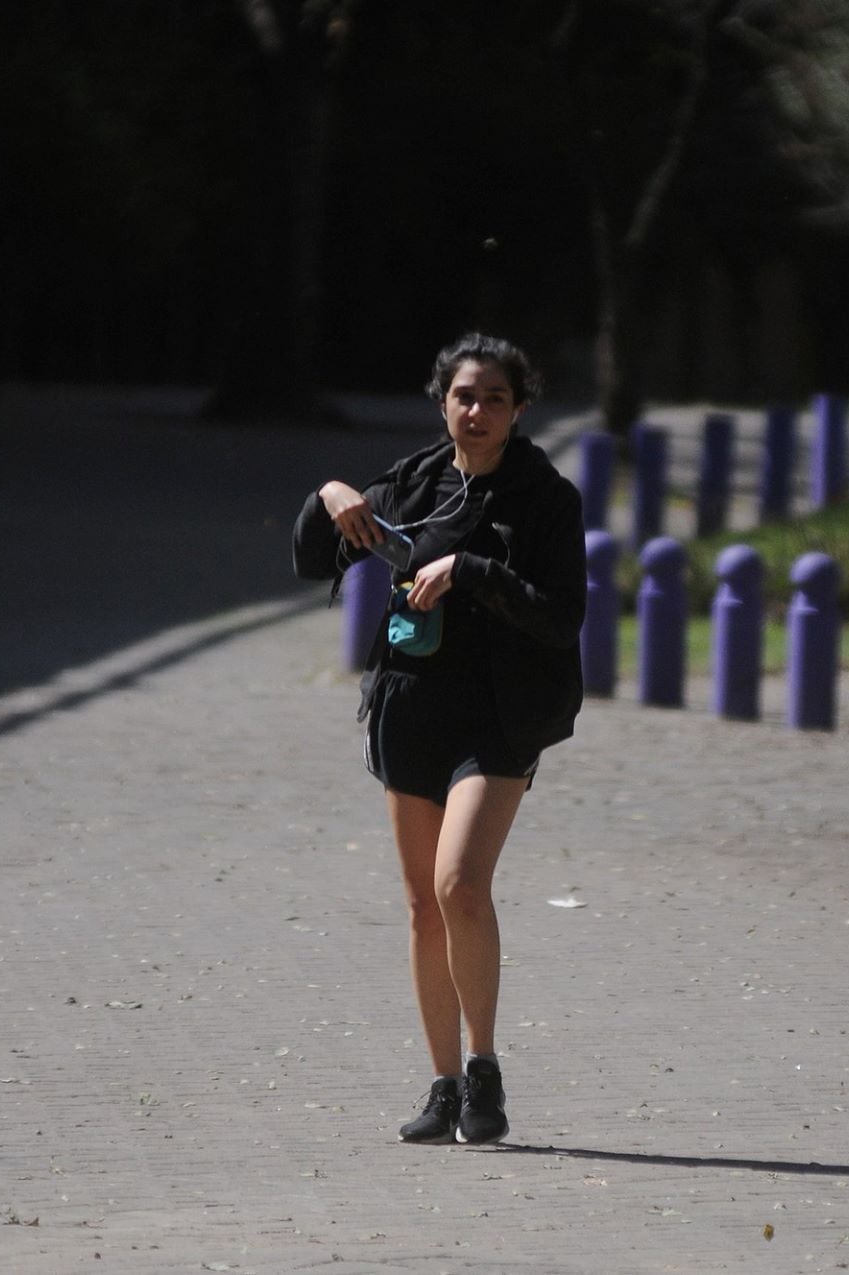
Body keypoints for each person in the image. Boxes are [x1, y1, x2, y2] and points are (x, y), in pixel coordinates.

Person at [292, 334, 585, 1144]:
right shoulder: (415, 483)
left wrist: (472, 571)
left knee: (460, 884)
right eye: (465, 395)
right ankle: (444, 1083)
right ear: (441, 402)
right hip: (411, 711)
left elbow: (563, 618)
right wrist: (330, 496)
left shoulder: (546, 498)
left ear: (520, 408)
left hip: (500, 717)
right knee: (423, 906)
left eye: (495, 397)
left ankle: (485, 1067)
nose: (478, 411)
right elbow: (312, 557)